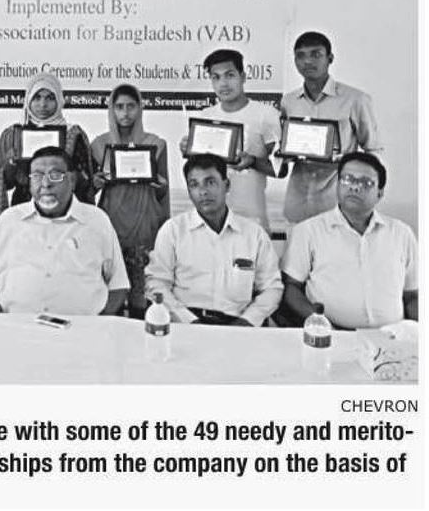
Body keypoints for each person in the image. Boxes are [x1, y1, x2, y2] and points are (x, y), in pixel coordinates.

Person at [0, 146, 128, 316]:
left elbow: (118, 284)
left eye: (55, 175)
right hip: (15, 326)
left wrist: (100, 323)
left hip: (83, 328)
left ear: (72, 180)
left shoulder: (96, 221)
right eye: (37, 176)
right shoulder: (7, 221)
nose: (46, 184)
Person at [279, 152, 417, 329]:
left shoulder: (401, 233)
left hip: (393, 336)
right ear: (337, 185)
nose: (354, 187)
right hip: (332, 335)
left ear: (380, 193)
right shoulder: (309, 231)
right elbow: (291, 288)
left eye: (366, 183)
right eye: (347, 179)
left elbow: (412, 295)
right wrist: (320, 324)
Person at [145, 153, 282, 326]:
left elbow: (272, 288)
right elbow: (157, 283)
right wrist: (188, 320)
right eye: (194, 185)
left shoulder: (254, 235)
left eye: (210, 182)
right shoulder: (173, 230)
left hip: (239, 325)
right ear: (189, 191)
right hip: (185, 323)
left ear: (227, 185)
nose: (203, 191)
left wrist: (248, 321)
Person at [281, 31, 382, 223]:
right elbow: (283, 148)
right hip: (297, 203)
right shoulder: (289, 102)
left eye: (316, 54)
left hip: (337, 203)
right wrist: (282, 156)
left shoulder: (355, 99)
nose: (307, 61)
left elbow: (373, 150)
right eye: (300, 56)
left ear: (330, 58)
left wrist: (355, 176)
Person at [91, 83, 170, 318]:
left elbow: (163, 194)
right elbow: (88, 192)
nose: (125, 113)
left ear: (140, 108)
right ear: (111, 110)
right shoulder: (98, 145)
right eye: (119, 107)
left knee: (141, 297)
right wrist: (95, 183)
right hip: (111, 223)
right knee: (111, 293)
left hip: (144, 225)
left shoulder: (156, 144)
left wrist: (161, 186)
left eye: (131, 106)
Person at [180, 49, 280, 232]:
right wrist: (189, 152)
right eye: (216, 77)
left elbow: (281, 169)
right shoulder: (205, 118)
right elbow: (199, 171)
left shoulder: (266, 115)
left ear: (243, 77)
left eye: (230, 75)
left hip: (252, 219)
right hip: (210, 221)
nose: (223, 83)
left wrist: (252, 161)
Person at [0, 71, 95, 223]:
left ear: (59, 100)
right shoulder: (12, 135)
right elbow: (3, 183)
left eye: (50, 98)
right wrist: (11, 165)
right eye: (37, 97)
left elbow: (84, 185)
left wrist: (66, 169)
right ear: (28, 99)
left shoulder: (73, 134)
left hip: (64, 213)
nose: (43, 104)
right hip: (23, 212)